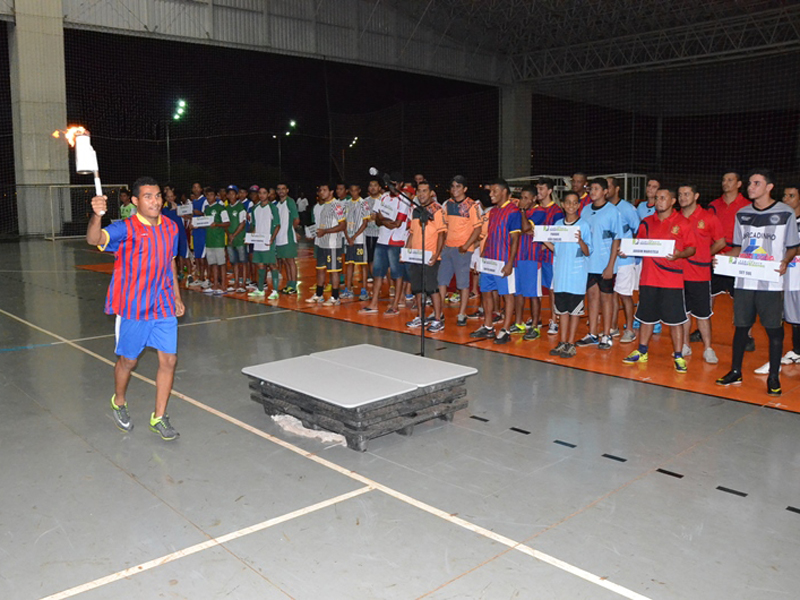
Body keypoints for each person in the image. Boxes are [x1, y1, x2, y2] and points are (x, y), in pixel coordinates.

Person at [86, 176, 183, 441]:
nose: (155, 201)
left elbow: (170, 263)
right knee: (129, 361)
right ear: (136, 201)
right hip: (133, 308)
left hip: (162, 305)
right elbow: (94, 239)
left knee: (169, 360)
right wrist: (97, 216)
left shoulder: (171, 227)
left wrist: (176, 296)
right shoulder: (125, 228)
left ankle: (159, 417)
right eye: (148, 196)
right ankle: (119, 401)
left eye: (158, 195)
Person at [716, 170, 800, 396]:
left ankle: (774, 376)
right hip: (744, 281)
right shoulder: (742, 214)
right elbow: (737, 247)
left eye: (756, 183)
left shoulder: (785, 213)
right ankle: (735, 371)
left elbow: (792, 246)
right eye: (751, 183)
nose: (751, 187)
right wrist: (724, 258)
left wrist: (785, 260)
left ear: (769, 187)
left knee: (774, 331)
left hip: (771, 283)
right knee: (741, 328)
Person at [622, 187, 696, 372]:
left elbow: (692, 249)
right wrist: (627, 250)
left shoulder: (683, 223)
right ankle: (642, 350)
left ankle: (679, 356)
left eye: (663, 197)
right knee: (646, 318)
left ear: (672, 201)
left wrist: (680, 254)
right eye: (657, 198)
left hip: (671, 280)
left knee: (675, 320)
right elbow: (638, 245)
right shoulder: (646, 223)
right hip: (649, 278)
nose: (659, 200)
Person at [469, 178, 521, 344]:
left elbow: (515, 239)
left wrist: (510, 262)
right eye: (490, 191)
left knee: (507, 295)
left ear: (504, 192)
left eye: (494, 191)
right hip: (489, 260)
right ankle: (488, 326)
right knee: (486, 291)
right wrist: (481, 258)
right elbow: (490, 237)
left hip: (503, 261)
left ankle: (505, 329)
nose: (490, 194)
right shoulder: (493, 211)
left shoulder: (513, 211)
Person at [678, 183, 725, 364]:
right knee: (684, 313)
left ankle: (708, 348)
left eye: (687, 194)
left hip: (700, 275)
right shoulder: (675, 219)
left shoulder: (708, 218)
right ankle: (685, 345)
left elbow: (720, 242)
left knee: (703, 315)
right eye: (680, 194)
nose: (683, 197)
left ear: (696, 196)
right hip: (679, 275)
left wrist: (705, 254)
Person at [545, 192, 593, 358]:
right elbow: (556, 249)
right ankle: (563, 342)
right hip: (560, 278)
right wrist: (543, 239)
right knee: (562, 312)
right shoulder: (558, 224)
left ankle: (571, 343)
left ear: (578, 205)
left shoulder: (584, 226)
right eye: (568, 203)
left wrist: (580, 240)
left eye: (574, 203)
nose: (571, 206)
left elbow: (588, 252)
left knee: (574, 313)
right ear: (563, 205)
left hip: (576, 278)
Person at [577, 178, 623, 350]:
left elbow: (616, 239)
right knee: (592, 298)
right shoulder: (586, 210)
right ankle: (593, 334)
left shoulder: (613, 212)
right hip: (589, 263)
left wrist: (611, 265)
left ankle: (606, 334)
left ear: (605, 192)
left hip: (605, 264)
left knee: (607, 299)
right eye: (591, 189)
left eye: (597, 189)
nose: (593, 192)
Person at [360, 173, 411, 315]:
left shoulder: (404, 201)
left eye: (395, 183)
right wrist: (383, 220)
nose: (393, 186)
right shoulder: (383, 197)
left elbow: (396, 224)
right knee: (377, 273)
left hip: (396, 241)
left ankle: (395, 304)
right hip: (381, 240)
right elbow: (376, 220)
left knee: (396, 274)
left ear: (401, 184)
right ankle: (373, 304)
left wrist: (383, 219)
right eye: (390, 183)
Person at [437, 175, 482, 327]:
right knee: (442, 281)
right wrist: (443, 244)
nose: (455, 189)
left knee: (463, 284)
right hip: (448, 248)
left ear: (465, 189)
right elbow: (444, 227)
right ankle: (439, 312)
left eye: (458, 186)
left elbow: (478, 229)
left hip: (462, 250)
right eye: (453, 186)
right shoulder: (447, 205)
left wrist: (466, 245)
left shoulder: (472, 206)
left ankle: (462, 313)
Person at [404, 181, 447, 332]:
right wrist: (406, 251)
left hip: (430, 257)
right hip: (415, 256)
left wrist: (436, 254)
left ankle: (438, 318)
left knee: (432, 289)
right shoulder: (415, 210)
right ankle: (421, 317)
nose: (421, 194)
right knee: (417, 288)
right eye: (419, 191)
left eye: (425, 191)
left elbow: (442, 233)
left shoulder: (437, 210)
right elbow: (412, 233)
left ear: (430, 193)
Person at [607, 177, 640, 343]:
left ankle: (630, 329)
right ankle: (613, 327)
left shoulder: (627, 208)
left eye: (609, 186)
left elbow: (639, 230)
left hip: (625, 260)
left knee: (625, 295)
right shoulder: (604, 208)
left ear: (617, 188)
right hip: (609, 260)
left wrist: (630, 250)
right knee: (611, 294)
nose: (606, 189)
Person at [515, 186, 547, 340]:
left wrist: (521, 213)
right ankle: (519, 323)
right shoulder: (521, 212)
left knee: (534, 294)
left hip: (532, 257)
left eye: (527, 198)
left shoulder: (540, 212)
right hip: (519, 256)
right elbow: (519, 230)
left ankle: (535, 326)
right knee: (518, 292)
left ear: (534, 199)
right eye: (521, 197)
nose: (523, 201)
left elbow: (526, 227)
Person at [306, 183, 347, 306]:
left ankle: (335, 296)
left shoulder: (337, 206)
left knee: (334, 270)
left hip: (333, 244)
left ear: (331, 192)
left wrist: (326, 231)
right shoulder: (323, 206)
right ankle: (319, 294)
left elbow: (342, 225)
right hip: (321, 243)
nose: (321, 192)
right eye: (320, 190)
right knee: (320, 269)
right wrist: (313, 233)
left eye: (324, 190)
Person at [533, 177, 563, 336]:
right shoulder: (535, 209)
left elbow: (557, 236)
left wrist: (544, 246)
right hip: (534, 257)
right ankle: (536, 318)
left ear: (550, 191)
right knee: (536, 289)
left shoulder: (557, 211)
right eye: (537, 189)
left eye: (542, 189)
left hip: (549, 257)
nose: (539, 192)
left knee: (552, 290)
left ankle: (554, 320)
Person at [248, 186, 282, 300]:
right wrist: (250, 237)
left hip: (268, 241)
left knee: (272, 265)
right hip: (258, 241)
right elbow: (254, 225)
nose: (262, 195)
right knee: (260, 265)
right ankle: (261, 289)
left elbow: (277, 225)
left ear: (268, 194)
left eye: (264, 193)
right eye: (260, 193)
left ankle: (275, 291)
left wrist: (272, 238)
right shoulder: (255, 209)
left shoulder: (273, 208)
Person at [342, 183, 370, 300]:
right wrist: (348, 237)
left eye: (355, 190)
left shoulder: (364, 204)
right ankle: (348, 289)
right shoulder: (346, 204)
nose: (354, 192)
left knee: (363, 264)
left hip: (359, 240)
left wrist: (354, 237)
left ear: (359, 190)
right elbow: (343, 222)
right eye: (351, 190)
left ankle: (364, 290)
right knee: (349, 264)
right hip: (348, 239)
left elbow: (365, 223)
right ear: (349, 191)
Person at [204, 186, 230, 295]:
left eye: (211, 195)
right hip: (209, 240)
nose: (209, 197)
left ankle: (224, 286)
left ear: (215, 196)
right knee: (213, 263)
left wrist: (217, 224)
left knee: (221, 263)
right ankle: (215, 285)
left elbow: (227, 223)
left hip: (218, 240)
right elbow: (205, 222)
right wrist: (196, 225)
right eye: (207, 195)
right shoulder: (206, 209)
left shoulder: (221, 208)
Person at [275, 183, 300, 294]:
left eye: (283, 189)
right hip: (280, 237)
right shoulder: (277, 204)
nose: (281, 191)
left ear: (287, 190)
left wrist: (291, 230)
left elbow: (296, 219)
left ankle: (293, 285)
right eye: (279, 189)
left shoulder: (290, 202)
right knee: (285, 261)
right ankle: (289, 284)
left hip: (287, 236)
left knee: (290, 261)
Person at [161, 187, 190, 282]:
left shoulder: (180, 207)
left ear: (174, 197)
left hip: (180, 233)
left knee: (183, 254)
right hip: (170, 235)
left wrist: (179, 211)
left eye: (171, 196)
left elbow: (188, 217)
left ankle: (185, 273)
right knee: (172, 255)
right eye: (168, 197)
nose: (170, 198)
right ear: (165, 198)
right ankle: (173, 273)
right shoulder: (164, 210)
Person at [225, 188, 248, 293]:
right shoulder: (226, 209)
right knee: (234, 262)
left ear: (237, 195)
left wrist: (234, 235)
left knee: (243, 262)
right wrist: (229, 234)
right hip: (230, 240)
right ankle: (236, 283)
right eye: (229, 194)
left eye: (233, 194)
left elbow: (242, 223)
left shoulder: (240, 207)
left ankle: (243, 284)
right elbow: (225, 223)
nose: (231, 196)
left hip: (239, 239)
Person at [188, 183, 209, 288]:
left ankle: (207, 278)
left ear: (201, 189)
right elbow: (191, 216)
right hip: (196, 232)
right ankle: (200, 278)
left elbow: (207, 215)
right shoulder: (193, 202)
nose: (196, 189)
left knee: (203, 257)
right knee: (197, 256)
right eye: (194, 187)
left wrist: (199, 213)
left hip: (202, 231)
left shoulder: (204, 200)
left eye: (197, 187)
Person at [364, 178, 383, 286]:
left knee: (383, 259)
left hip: (383, 234)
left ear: (379, 187)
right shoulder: (365, 201)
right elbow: (365, 217)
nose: (373, 187)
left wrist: (377, 217)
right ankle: (375, 279)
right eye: (371, 185)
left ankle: (388, 283)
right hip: (370, 234)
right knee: (371, 258)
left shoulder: (384, 200)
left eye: (375, 185)